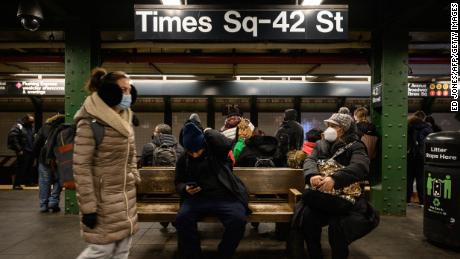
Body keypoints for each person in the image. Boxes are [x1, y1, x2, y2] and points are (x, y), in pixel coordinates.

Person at [73, 67, 140, 259]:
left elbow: (131, 155)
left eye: (129, 89)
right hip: (102, 201)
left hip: (125, 197)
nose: (128, 94)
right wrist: (88, 208)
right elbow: (81, 167)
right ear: (109, 92)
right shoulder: (90, 123)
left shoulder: (125, 118)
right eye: (123, 89)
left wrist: (134, 177)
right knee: (101, 250)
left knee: (123, 249)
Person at [302, 113, 372, 259]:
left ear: (344, 129)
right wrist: (312, 174)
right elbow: (310, 160)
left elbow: (360, 166)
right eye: (328, 125)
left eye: (333, 126)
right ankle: (315, 254)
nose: (328, 129)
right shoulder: (321, 144)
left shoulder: (356, 146)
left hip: (344, 195)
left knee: (337, 224)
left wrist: (335, 179)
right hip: (324, 196)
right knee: (308, 217)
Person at [175, 122, 250, 259]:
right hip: (197, 199)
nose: (195, 154)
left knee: (238, 220)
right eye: (191, 152)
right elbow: (178, 182)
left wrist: (207, 132)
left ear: (203, 144)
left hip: (224, 196)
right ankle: (193, 254)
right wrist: (185, 189)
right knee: (182, 218)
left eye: (198, 150)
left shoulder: (217, 153)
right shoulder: (183, 160)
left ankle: (224, 253)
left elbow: (226, 144)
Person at [33, 113, 65, 212]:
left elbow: (37, 143)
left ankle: (43, 205)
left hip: (45, 158)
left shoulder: (45, 127)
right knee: (59, 179)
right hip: (60, 158)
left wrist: (36, 156)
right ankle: (53, 202)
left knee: (44, 181)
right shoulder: (65, 128)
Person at [407, 111, 433, 203]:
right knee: (421, 179)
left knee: (409, 179)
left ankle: (407, 200)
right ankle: (422, 201)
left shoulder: (408, 126)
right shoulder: (427, 128)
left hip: (409, 155)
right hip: (421, 156)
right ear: (423, 118)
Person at [7, 114, 35, 189]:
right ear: (26, 120)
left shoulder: (30, 127)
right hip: (23, 150)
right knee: (21, 168)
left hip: (30, 150)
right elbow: (13, 137)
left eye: (33, 121)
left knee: (29, 167)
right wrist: (19, 149)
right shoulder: (18, 126)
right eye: (31, 121)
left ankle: (28, 182)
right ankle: (16, 184)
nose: (32, 123)